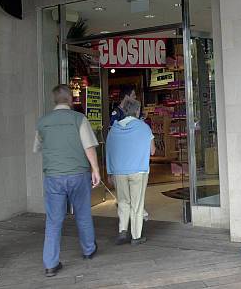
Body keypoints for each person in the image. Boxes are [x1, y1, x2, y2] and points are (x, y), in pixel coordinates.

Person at [34, 84, 101, 277]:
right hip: (78, 174)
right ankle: (88, 249)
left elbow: (37, 146)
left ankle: (50, 263)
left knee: (53, 220)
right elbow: (89, 146)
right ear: (70, 99)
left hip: (53, 177)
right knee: (82, 213)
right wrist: (95, 169)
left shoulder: (43, 122)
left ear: (54, 100)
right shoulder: (78, 119)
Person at [106, 98, 155, 246]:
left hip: (119, 171)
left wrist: (110, 172)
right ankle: (136, 236)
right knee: (137, 204)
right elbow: (152, 150)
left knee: (123, 201)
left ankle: (122, 230)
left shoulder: (114, 128)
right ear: (137, 111)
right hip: (138, 170)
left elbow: (109, 151)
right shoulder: (144, 127)